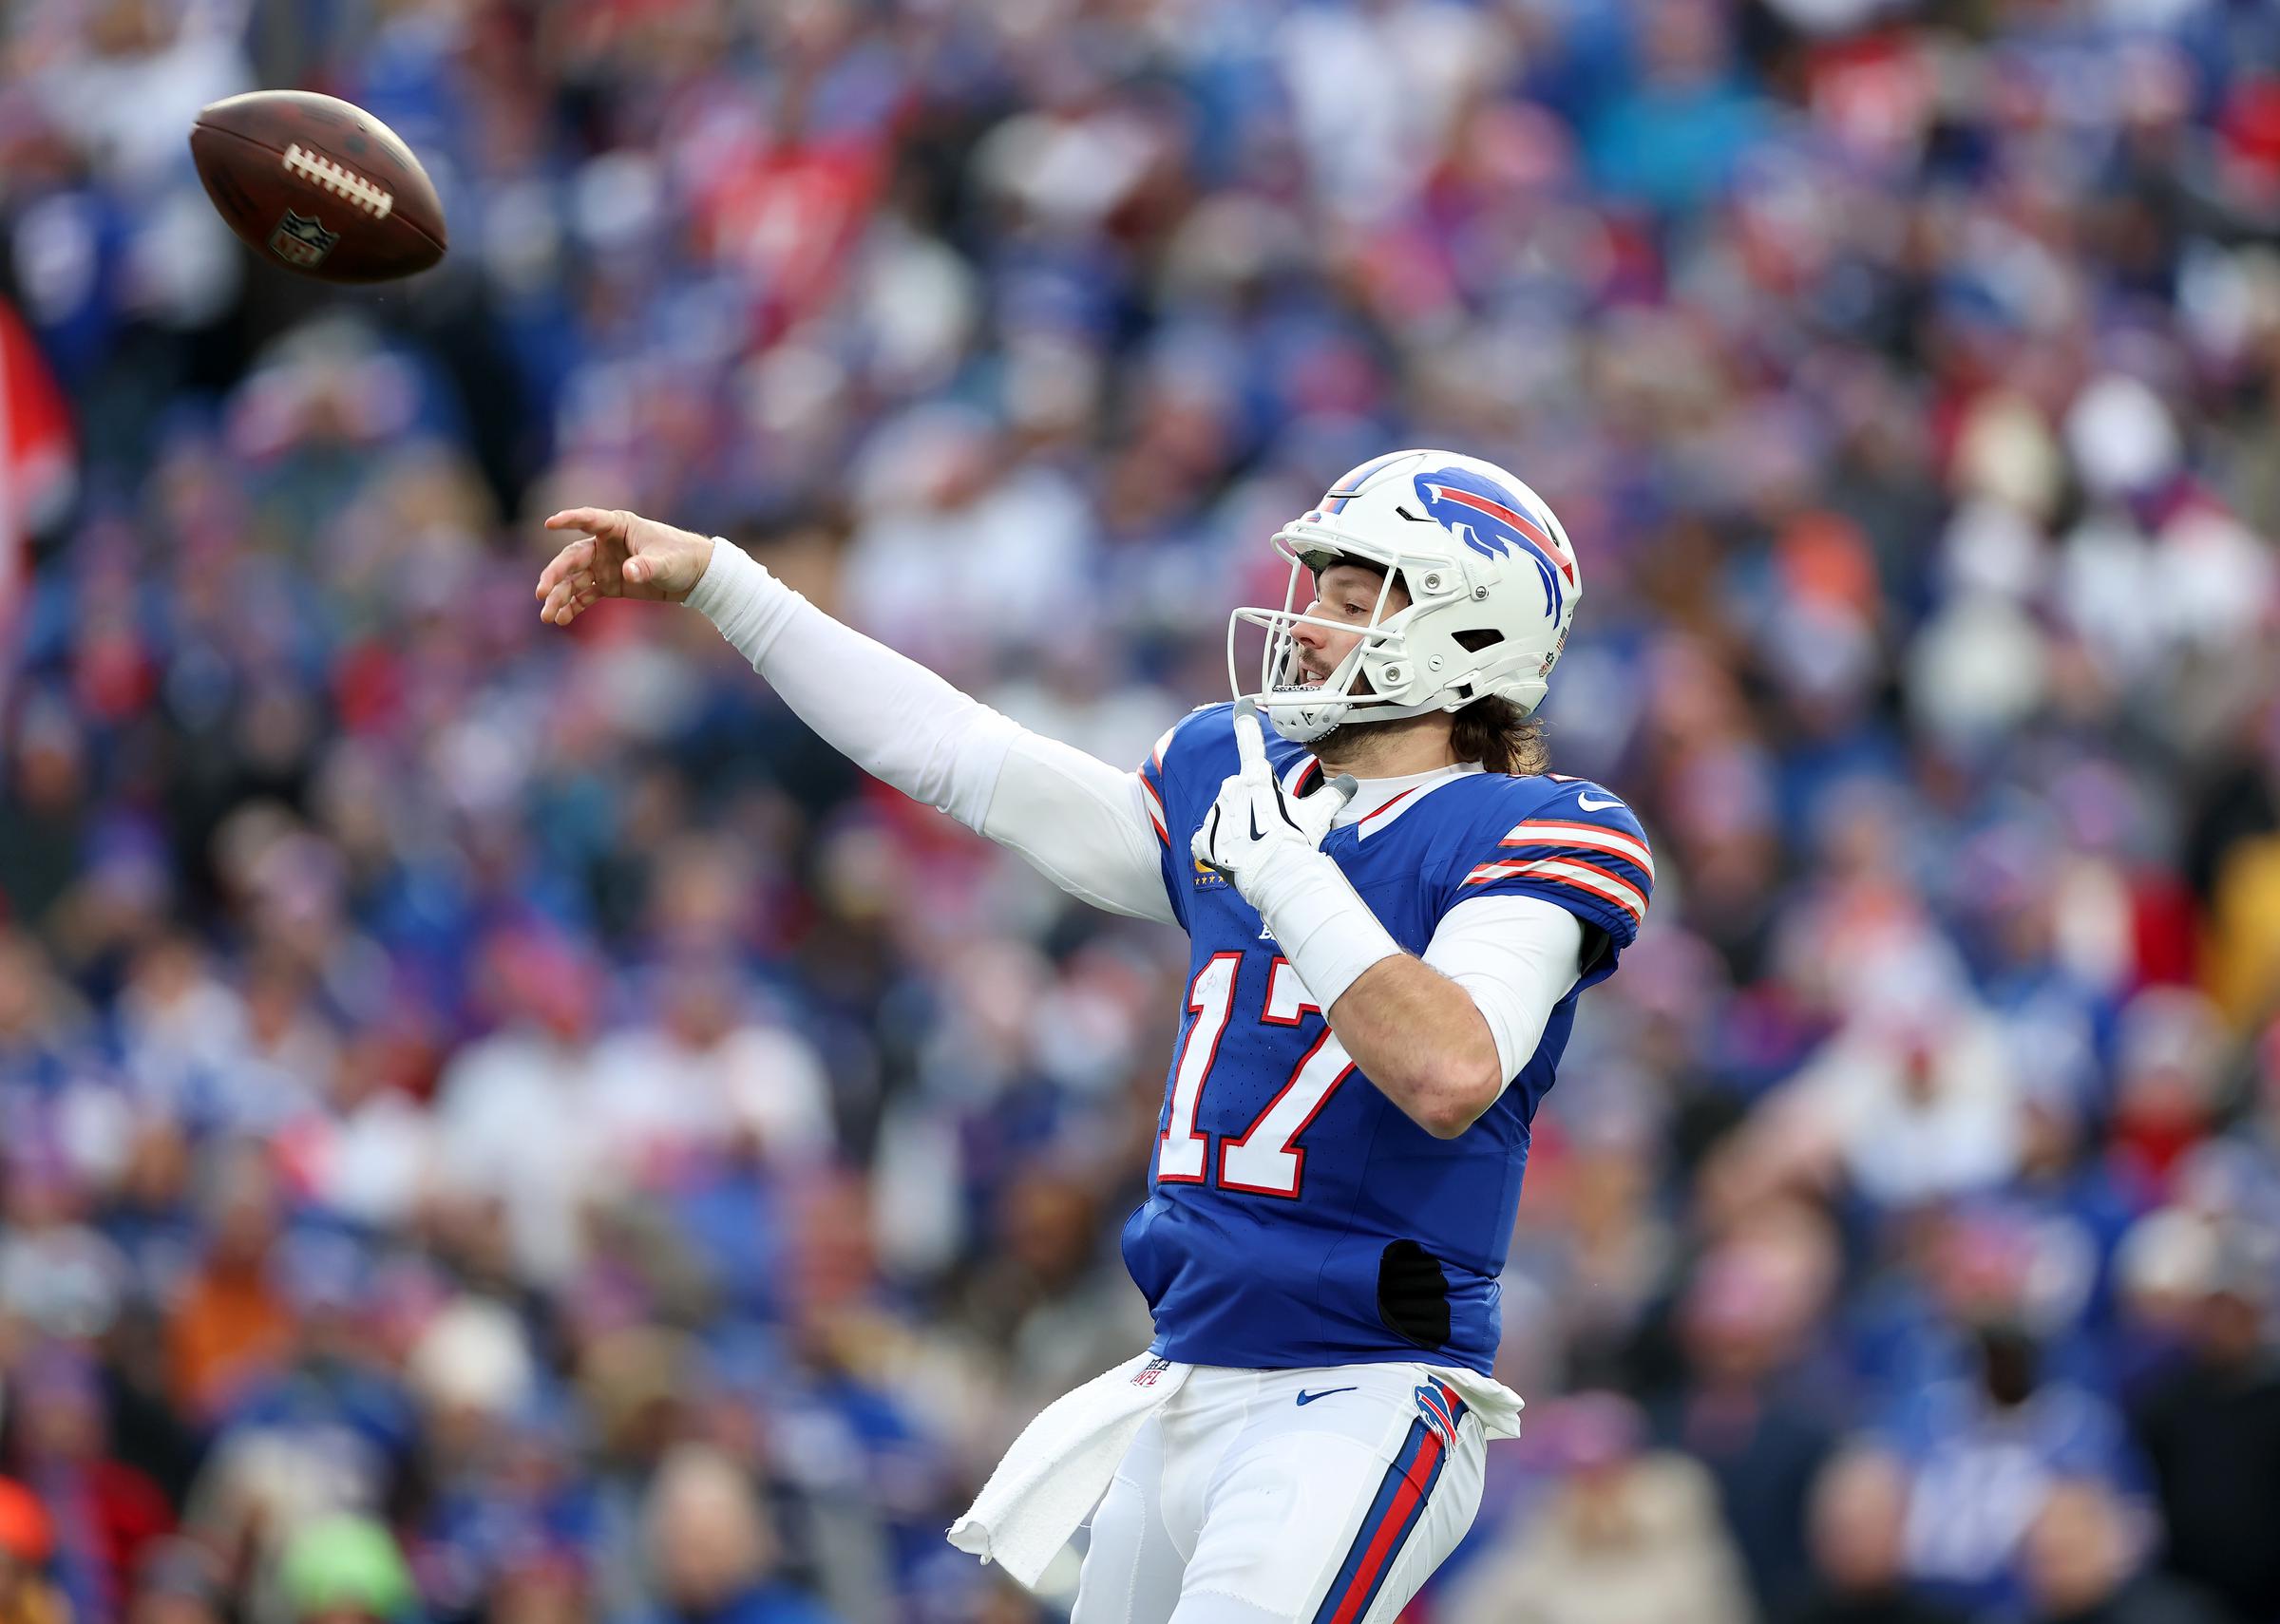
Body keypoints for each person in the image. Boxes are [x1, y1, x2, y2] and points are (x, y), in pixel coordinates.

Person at [535, 448, 1654, 1623]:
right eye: (1316, 586)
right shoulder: (1242, 775)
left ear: (1470, 630)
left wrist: (1287, 870)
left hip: (1362, 1388)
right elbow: (961, 756)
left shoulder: (1539, 826)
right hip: (1179, 1378)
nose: (1308, 623)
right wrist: (728, 585)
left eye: (1352, 592)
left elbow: (1450, 1067)